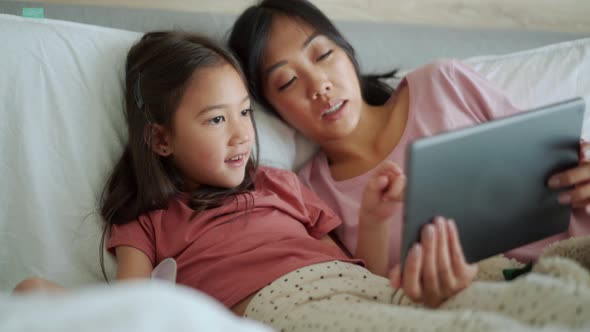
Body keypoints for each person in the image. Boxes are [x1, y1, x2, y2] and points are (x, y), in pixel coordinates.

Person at [12, 30, 590, 332]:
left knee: (540, 278)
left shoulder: (280, 183)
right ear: (161, 139)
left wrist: (379, 216)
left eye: (244, 112)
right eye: (216, 120)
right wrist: (48, 301)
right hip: (287, 308)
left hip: (361, 287)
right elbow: (132, 310)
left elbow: (362, 267)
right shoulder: (149, 219)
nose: (242, 134)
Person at [227, 0, 590, 291]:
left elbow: (553, 148)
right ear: (272, 110)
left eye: (322, 55)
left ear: (346, 52)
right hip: (487, 304)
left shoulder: (440, 83)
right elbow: (365, 292)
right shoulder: (310, 193)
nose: (319, 85)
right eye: (288, 81)